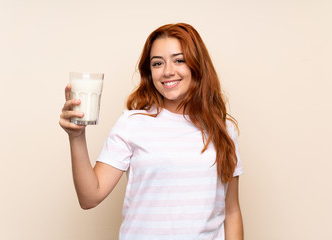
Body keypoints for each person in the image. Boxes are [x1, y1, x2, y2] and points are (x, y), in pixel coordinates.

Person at [59, 23, 244, 240]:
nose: (167, 71)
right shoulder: (132, 124)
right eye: (158, 63)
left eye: (179, 60)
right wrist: (76, 137)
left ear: (197, 65)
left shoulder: (223, 129)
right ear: (150, 72)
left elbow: (231, 211)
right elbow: (90, 197)